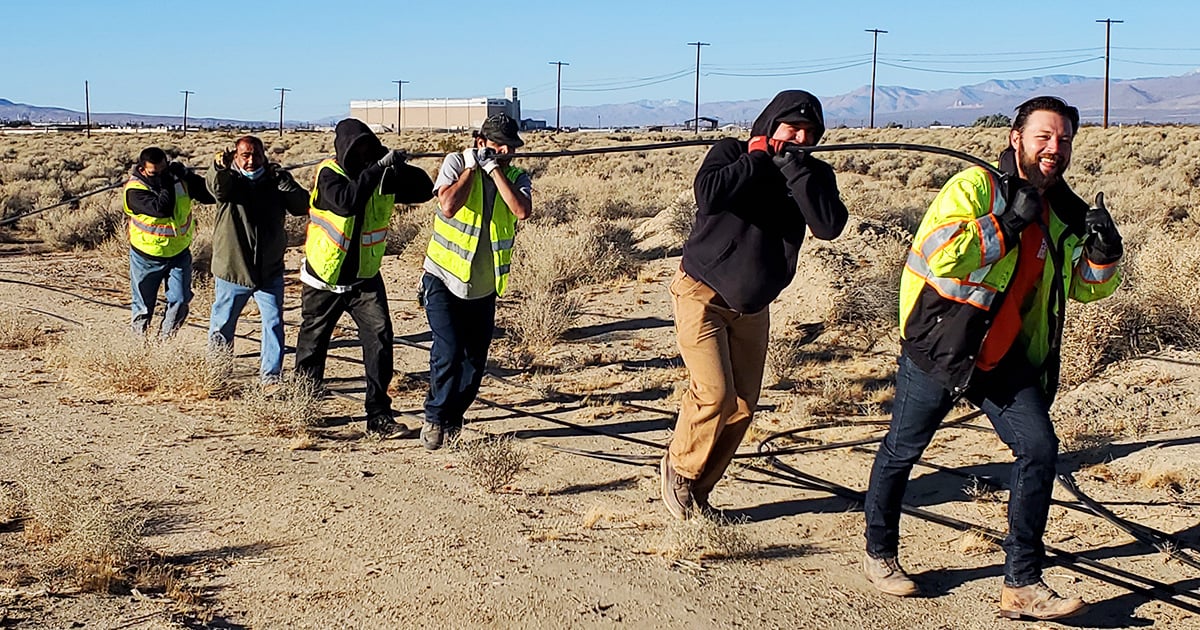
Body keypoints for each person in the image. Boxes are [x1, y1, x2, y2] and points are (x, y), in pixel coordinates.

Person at [861, 96, 1123, 621]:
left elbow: (1082, 288)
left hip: (1007, 359)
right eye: (1043, 137)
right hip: (943, 348)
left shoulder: (1062, 212)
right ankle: (880, 553)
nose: (1055, 148)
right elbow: (942, 256)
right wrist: (1005, 225)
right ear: (1016, 139)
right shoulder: (974, 188)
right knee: (901, 451)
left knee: (1040, 450)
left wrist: (1103, 255)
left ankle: (1021, 584)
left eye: (1064, 139)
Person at [661, 90, 848, 519]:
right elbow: (708, 195)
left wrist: (797, 171)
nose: (799, 136)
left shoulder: (813, 174)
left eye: (809, 132)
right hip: (700, 292)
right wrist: (758, 158)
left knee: (743, 405)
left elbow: (829, 226)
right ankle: (679, 467)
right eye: (791, 128)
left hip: (753, 305)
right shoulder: (731, 152)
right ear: (769, 125)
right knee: (715, 394)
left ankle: (699, 491)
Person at [294, 119, 434, 437]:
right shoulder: (330, 174)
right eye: (359, 149)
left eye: (370, 148)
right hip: (324, 277)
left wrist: (397, 166)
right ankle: (302, 407)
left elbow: (424, 190)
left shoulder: (380, 173)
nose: (365, 155)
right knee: (312, 347)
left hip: (364, 279)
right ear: (344, 149)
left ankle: (379, 414)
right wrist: (377, 169)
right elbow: (347, 202)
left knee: (380, 341)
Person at [419, 113, 532, 451]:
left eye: (511, 147)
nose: (507, 151)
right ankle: (435, 416)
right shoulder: (455, 162)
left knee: (474, 361)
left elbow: (521, 210)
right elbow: (449, 205)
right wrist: (472, 167)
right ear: (481, 142)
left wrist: (494, 169)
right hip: (442, 275)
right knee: (449, 350)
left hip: (483, 283)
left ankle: (454, 417)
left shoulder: (515, 174)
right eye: (500, 145)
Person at [205, 135, 310, 385]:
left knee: (273, 323)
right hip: (233, 269)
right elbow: (216, 186)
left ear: (264, 156)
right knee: (223, 324)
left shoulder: (274, 182)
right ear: (235, 157)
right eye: (245, 155)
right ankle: (218, 374)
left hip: (269, 271)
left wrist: (285, 181)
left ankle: (270, 378)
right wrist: (218, 167)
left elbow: (301, 205)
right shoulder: (230, 182)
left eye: (256, 155)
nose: (251, 160)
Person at [123, 147, 214, 337]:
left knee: (180, 300)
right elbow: (162, 209)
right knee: (143, 307)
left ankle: (165, 342)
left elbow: (208, 195)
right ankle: (138, 347)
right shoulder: (135, 190)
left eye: (164, 170)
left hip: (179, 253)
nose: (160, 175)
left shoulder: (178, 180)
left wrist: (188, 175)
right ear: (142, 169)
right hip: (146, 257)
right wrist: (167, 182)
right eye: (154, 173)